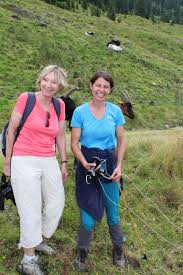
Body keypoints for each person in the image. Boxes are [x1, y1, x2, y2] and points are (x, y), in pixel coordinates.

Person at [3, 65, 68, 275]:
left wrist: (64, 162)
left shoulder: (59, 105)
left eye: (54, 82)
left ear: (59, 86)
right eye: (46, 80)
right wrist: (8, 162)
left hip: (48, 159)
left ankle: (37, 238)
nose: (49, 85)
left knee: (56, 204)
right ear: (40, 80)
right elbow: (11, 130)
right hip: (23, 158)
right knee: (29, 209)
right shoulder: (26, 98)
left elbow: (59, 136)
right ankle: (28, 260)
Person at [71, 71, 126, 272]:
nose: (101, 90)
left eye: (106, 87)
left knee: (112, 213)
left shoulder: (115, 112)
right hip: (87, 166)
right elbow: (74, 143)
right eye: (98, 85)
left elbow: (121, 141)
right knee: (87, 216)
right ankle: (82, 254)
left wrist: (119, 166)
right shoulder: (80, 112)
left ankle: (118, 250)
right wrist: (84, 162)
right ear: (91, 86)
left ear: (110, 90)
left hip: (110, 164)